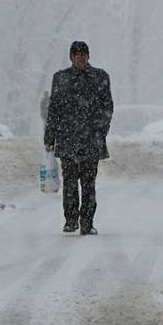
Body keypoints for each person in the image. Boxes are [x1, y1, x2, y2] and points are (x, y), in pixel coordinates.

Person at [44, 41, 114, 235]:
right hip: (68, 139)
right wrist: (50, 137)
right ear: (71, 57)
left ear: (88, 56)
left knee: (89, 184)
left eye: (83, 54)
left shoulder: (100, 77)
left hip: (91, 139)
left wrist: (100, 131)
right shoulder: (61, 78)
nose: (80, 57)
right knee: (70, 183)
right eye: (77, 54)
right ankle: (71, 219)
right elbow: (54, 109)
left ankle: (87, 222)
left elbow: (107, 107)